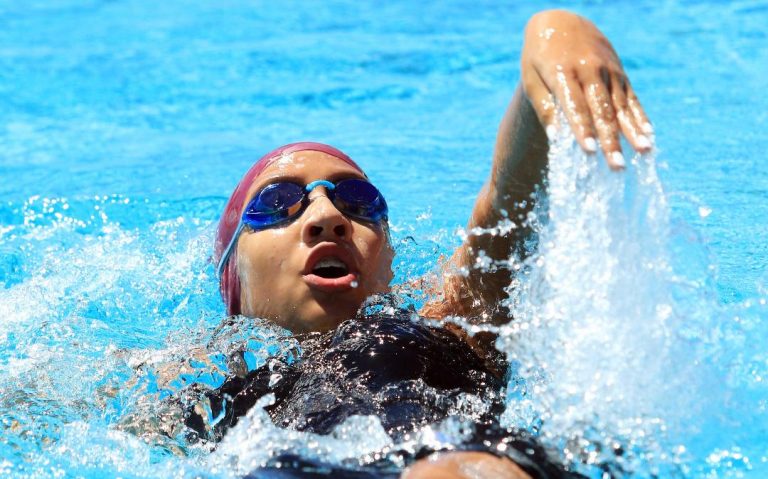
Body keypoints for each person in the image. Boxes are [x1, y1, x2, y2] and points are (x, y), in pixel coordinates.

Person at [203, 9, 651, 479]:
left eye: (358, 200)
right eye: (277, 203)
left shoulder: (445, 330)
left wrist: (554, 34)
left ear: (387, 262)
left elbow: (506, 202)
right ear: (234, 282)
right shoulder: (204, 398)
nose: (327, 217)